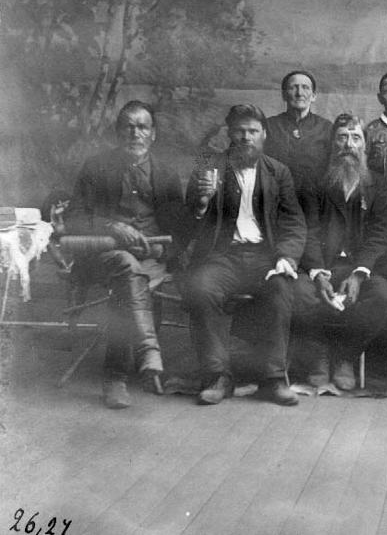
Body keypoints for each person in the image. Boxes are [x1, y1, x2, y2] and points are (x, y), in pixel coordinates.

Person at [183, 104, 306, 406]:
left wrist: (286, 258)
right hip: (222, 257)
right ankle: (217, 377)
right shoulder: (209, 168)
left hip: (265, 257)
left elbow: (293, 223)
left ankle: (273, 379)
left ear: (264, 135)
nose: (246, 137)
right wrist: (202, 202)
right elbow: (187, 220)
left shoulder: (278, 172)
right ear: (230, 133)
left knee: (281, 288)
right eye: (240, 131)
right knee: (201, 287)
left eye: (253, 131)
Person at [66, 100, 184, 409]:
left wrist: (160, 249)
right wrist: (111, 226)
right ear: (118, 132)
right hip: (102, 255)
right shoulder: (96, 167)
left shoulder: (166, 174)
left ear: (153, 134)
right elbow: (74, 218)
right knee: (126, 267)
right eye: (128, 127)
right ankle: (134, 363)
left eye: (142, 127)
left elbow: (179, 229)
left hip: (151, 258)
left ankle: (119, 375)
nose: (135, 133)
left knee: (132, 275)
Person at [293, 113, 387, 390]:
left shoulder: (378, 185)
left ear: (365, 146)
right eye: (342, 137)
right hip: (320, 265)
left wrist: (360, 274)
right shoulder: (313, 182)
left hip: (358, 267)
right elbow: (308, 230)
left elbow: (381, 234)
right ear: (332, 144)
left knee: (383, 296)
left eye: (355, 138)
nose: (349, 144)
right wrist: (317, 273)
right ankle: (318, 355)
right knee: (299, 293)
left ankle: (344, 357)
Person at [263, 70, 332, 191]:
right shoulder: (268, 126)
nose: (300, 93)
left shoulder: (326, 127)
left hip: (314, 198)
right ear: (284, 95)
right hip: (276, 196)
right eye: (293, 88)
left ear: (314, 96)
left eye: (305, 88)